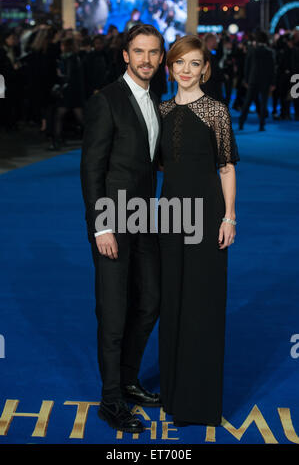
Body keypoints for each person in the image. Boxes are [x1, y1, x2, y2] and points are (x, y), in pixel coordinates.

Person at [80, 24, 164, 433]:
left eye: (153, 53)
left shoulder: (157, 98)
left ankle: (128, 379)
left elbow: (151, 161)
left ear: (160, 58)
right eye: (138, 52)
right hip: (112, 221)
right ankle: (110, 400)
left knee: (151, 300)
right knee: (113, 314)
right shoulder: (106, 101)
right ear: (125, 56)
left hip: (146, 219)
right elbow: (92, 170)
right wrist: (101, 227)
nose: (146, 59)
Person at [158, 35, 239, 426]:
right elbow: (158, 167)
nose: (186, 70)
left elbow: (226, 167)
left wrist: (229, 217)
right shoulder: (161, 110)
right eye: (179, 63)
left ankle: (200, 401)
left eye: (194, 63)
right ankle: (173, 393)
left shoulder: (216, 112)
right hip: (170, 217)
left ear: (204, 67)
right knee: (172, 301)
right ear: (169, 68)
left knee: (203, 304)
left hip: (207, 218)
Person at [239, 31, 276, 132]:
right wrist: (273, 83)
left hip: (253, 80)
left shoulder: (252, 51)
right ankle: (261, 125)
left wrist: (246, 79)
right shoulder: (269, 52)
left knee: (247, 101)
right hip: (265, 81)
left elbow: (247, 66)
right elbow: (272, 69)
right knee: (264, 103)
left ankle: (241, 122)